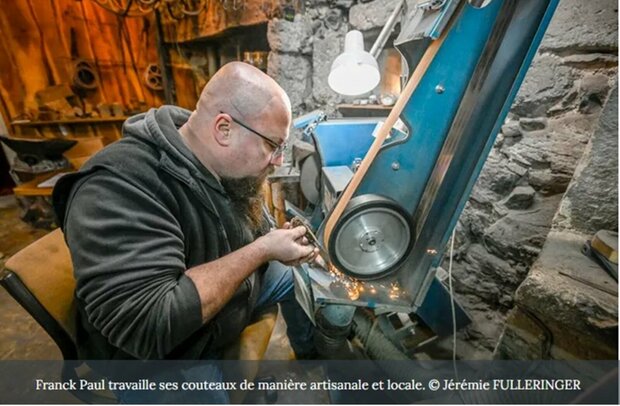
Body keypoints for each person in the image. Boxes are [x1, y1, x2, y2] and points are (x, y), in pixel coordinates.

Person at [52, 62, 319, 364]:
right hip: (164, 356)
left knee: (300, 278)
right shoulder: (117, 186)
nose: (278, 161)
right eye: (273, 145)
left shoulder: (217, 160)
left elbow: (245, 226)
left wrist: (274, 238)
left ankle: (310, 354)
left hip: (229, 300)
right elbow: (150, 325)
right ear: (224, 129)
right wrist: (262, 250)